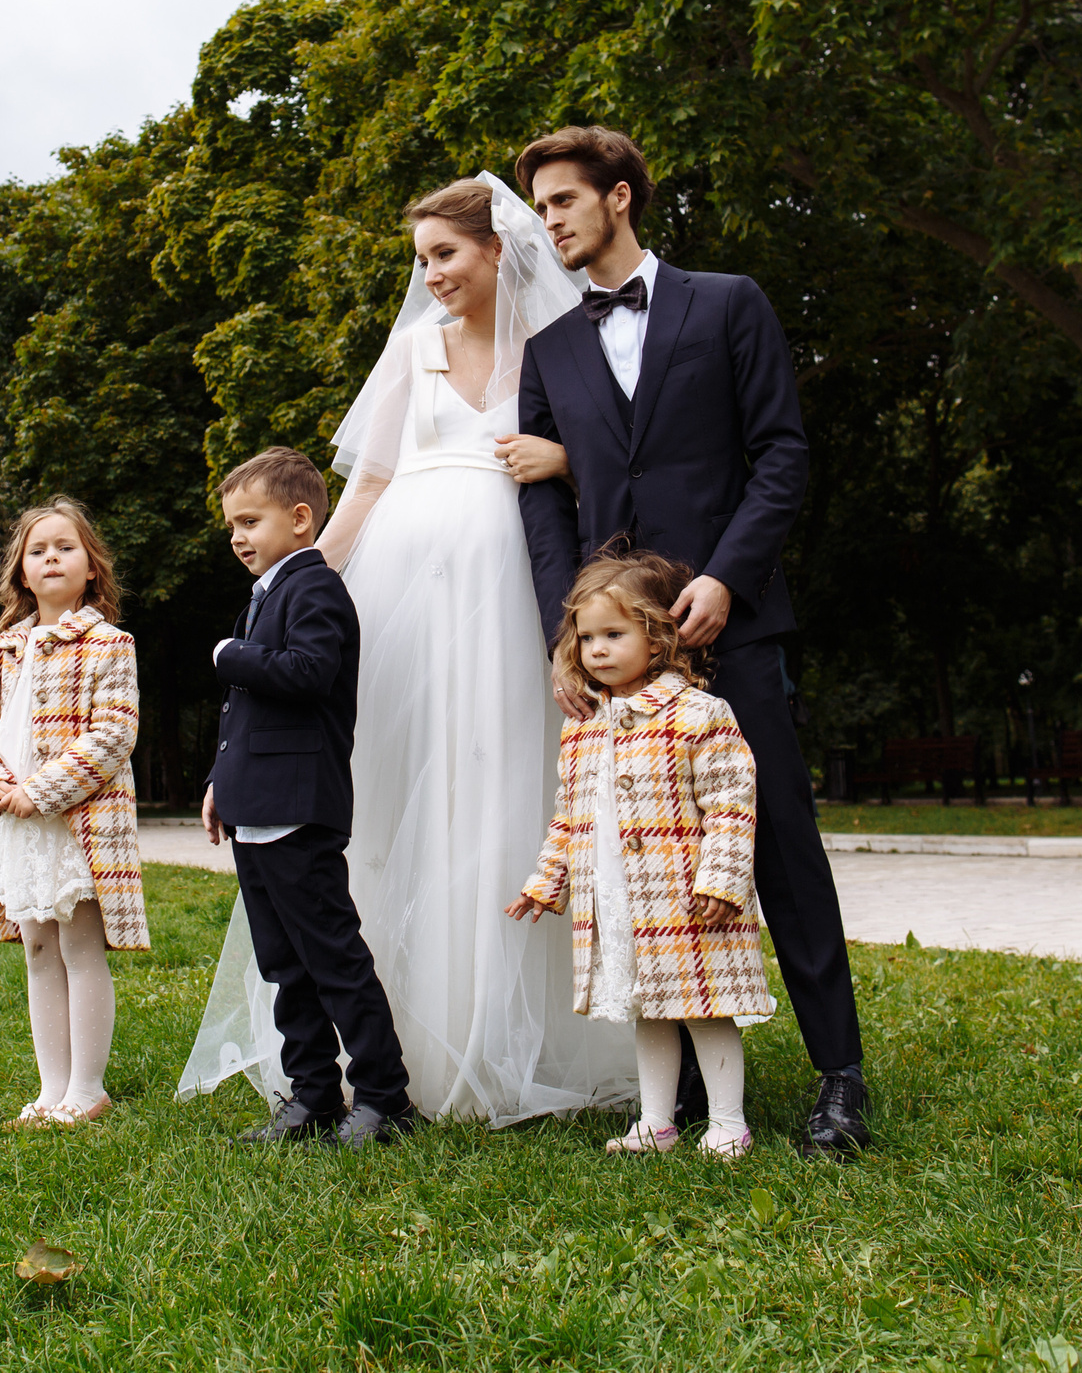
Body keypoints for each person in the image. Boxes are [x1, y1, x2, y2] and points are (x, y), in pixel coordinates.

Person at [178, 178, 635, 1125]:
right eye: (421, 260)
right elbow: (366, 489)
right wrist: (293, 589)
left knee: (499, 785)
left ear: (497, 249)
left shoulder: (553, 351)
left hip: (506, 593)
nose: (431, 276)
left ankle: (506, 1030)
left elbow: (613, 467)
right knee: (395, 785)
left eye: (446, 254)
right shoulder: (412, 351)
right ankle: (376, 1050)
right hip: (400, 599)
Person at [507, 124, 872, 1154]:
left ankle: (839, 1079)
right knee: (644, 866)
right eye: (540, 208)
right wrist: (564, 641)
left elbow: (780, 454)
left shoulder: (728, 303)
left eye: (562, 203)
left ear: (619, 197)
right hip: (618, 661)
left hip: (731, 623)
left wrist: (723, 575)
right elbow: (542, 515)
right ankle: (689, 1101)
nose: (549, 223)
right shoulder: (549, 353)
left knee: (781, 851)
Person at [508, 553, 773, 1160]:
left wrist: (723, 879)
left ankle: (728, 1121)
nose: (596, 650)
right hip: (619, 897)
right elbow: (571, 815)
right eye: (587, 637)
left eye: (614, 634)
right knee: (647, 1008)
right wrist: (547, 881)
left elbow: (732, 801)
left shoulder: (698, 714)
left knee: (706, 1009)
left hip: (686, 895)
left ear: (657, 638)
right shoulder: (584, 726)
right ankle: (657, 1122)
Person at [200, 447, 417, 1148]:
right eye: (231, 523)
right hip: (255, 804)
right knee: (284, 965)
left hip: (299, 805)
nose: (237, 535)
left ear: (300, 519)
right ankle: (314, 1096)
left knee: (332, 957)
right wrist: (218, 784)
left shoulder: (316, 589)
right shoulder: (263, 594)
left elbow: (310, 672)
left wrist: (230, 655)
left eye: (250, 520)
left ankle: (384, 1098)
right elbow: (247, 717)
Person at [0, 497, 147, 1129]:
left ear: (91, 566)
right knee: (37, 947)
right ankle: (51, 1089)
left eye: (65, 547)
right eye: (37, 551)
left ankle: (88, 1088)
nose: (51, 557)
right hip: (12, 823)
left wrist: (39, 791)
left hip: (74, 822)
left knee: (79, 945)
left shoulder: (108, 644)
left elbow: (113, 734)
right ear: (22, 574)